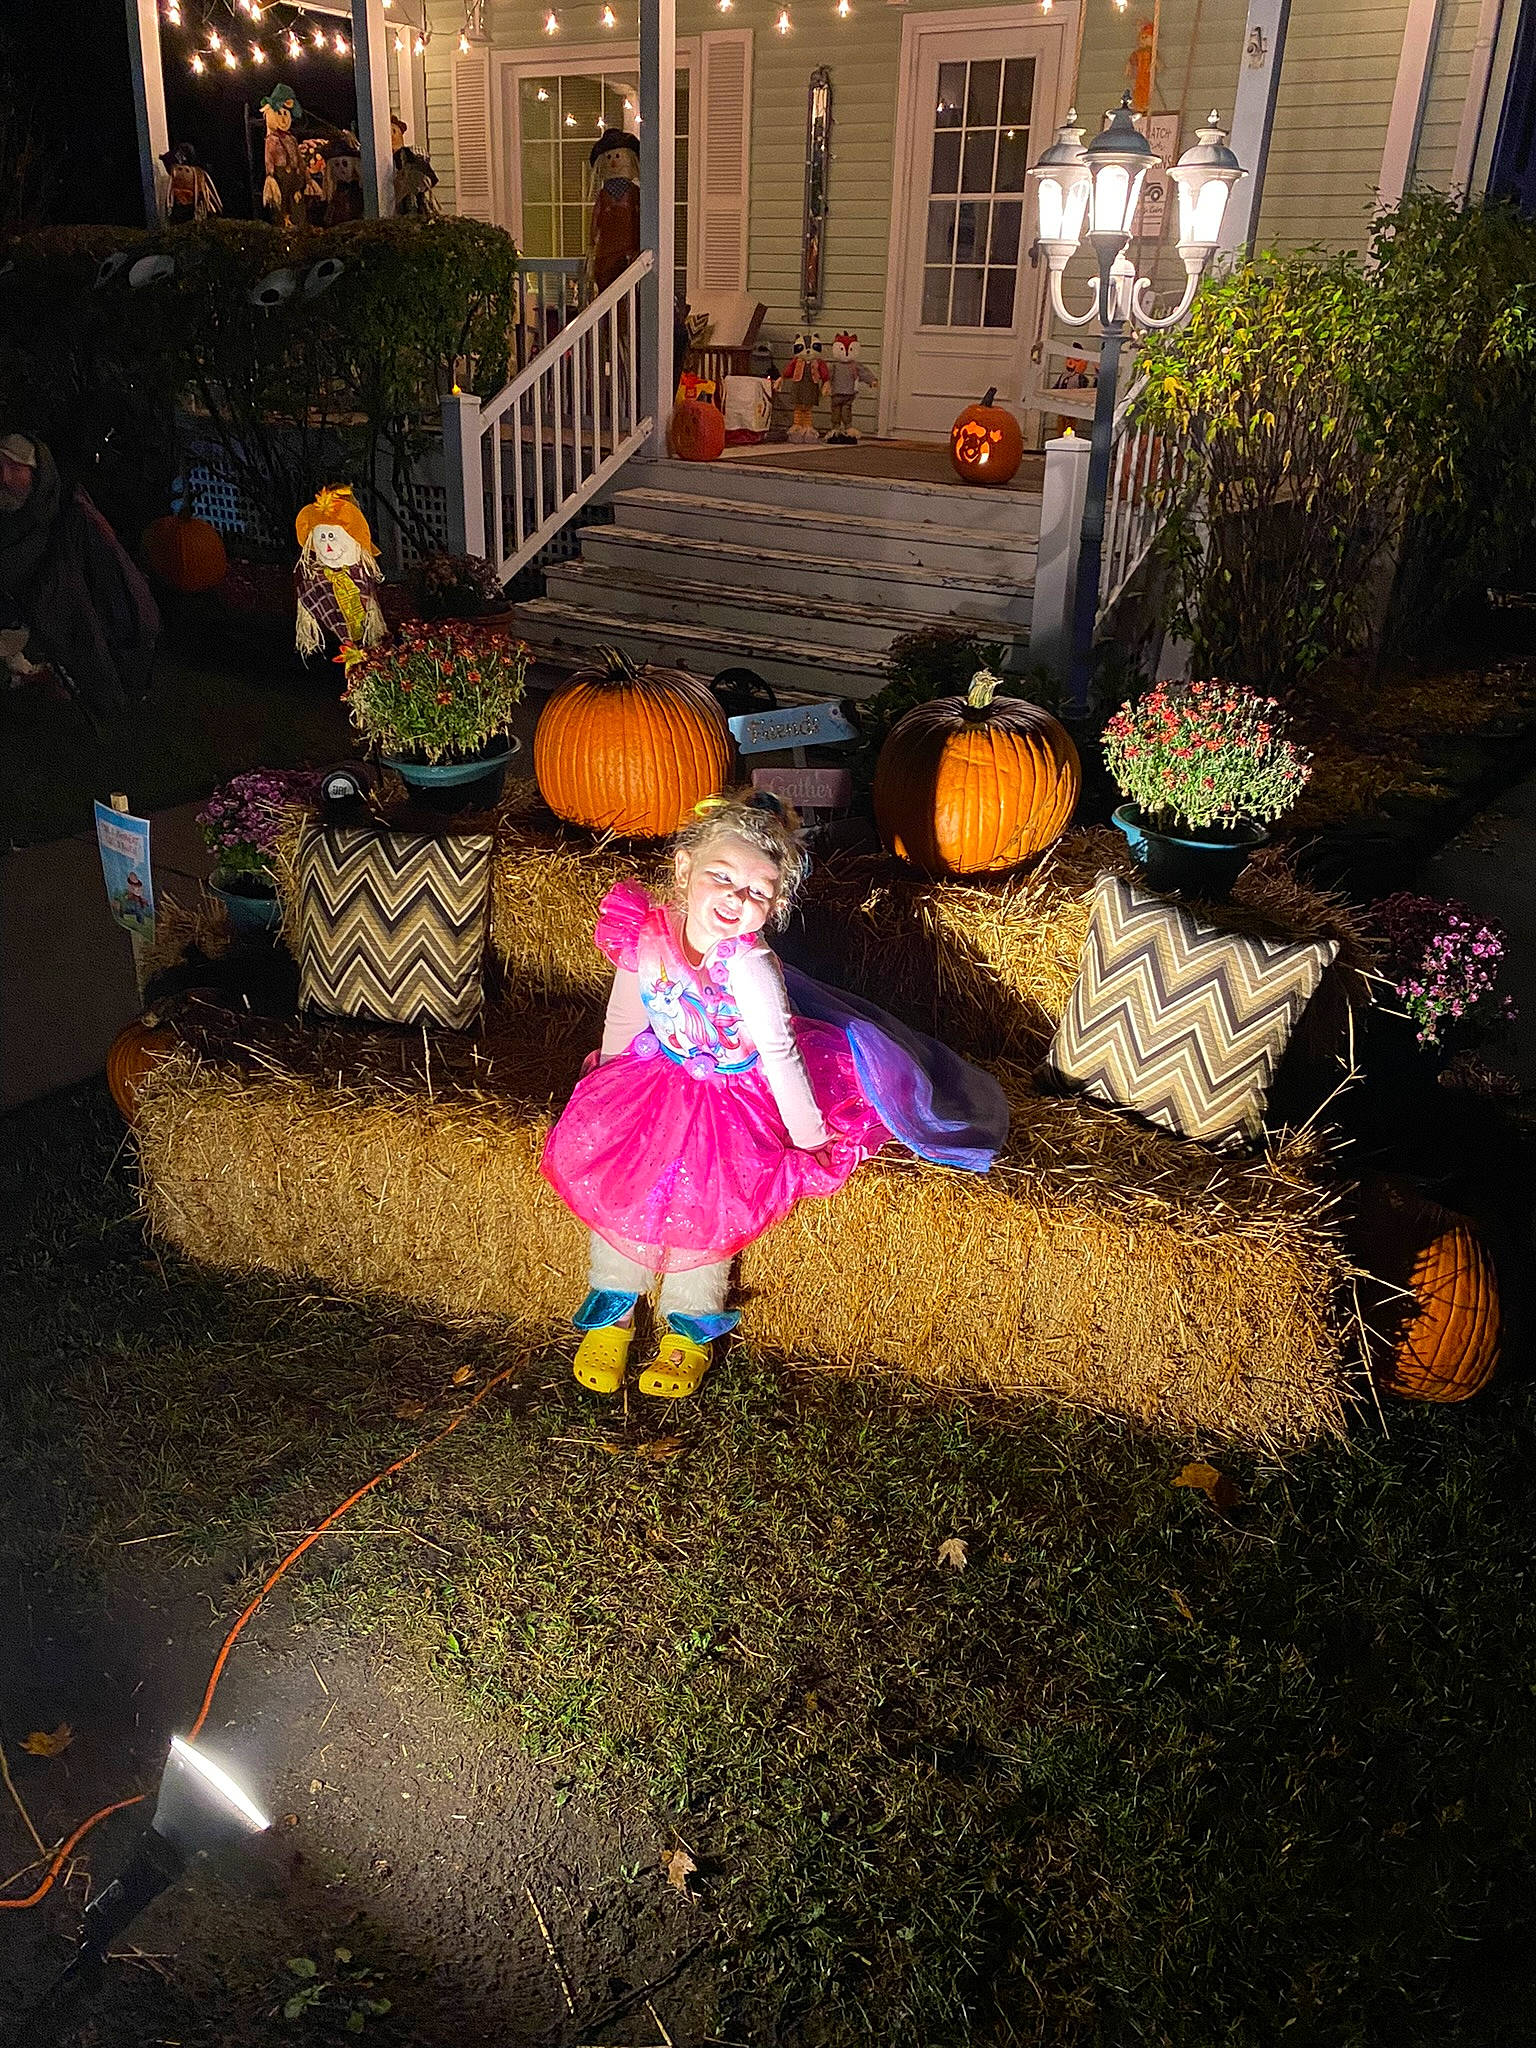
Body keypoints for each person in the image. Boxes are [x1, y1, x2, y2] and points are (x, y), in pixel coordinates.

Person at [540, 789, 1009, 1400]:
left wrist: (810, 1138)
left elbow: (781, 1054)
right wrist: (604, 1076)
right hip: (655, 1079)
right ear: (683, 868)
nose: (737, 898)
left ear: (776, 901)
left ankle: (688, 1326)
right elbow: (626, 1014)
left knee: (711, 1204)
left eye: (758, 891)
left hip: (733, 1097)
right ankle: (613, 1310)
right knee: (621, 1183)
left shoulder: (751, 966)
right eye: (721, 876)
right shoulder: (645, 932)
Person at [0, 434, 159, 716]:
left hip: (53, 609)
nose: (4, 477)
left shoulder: (69, 517)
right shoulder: (10, 521)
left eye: (15, 468)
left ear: (36, 475)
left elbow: (111, 583)